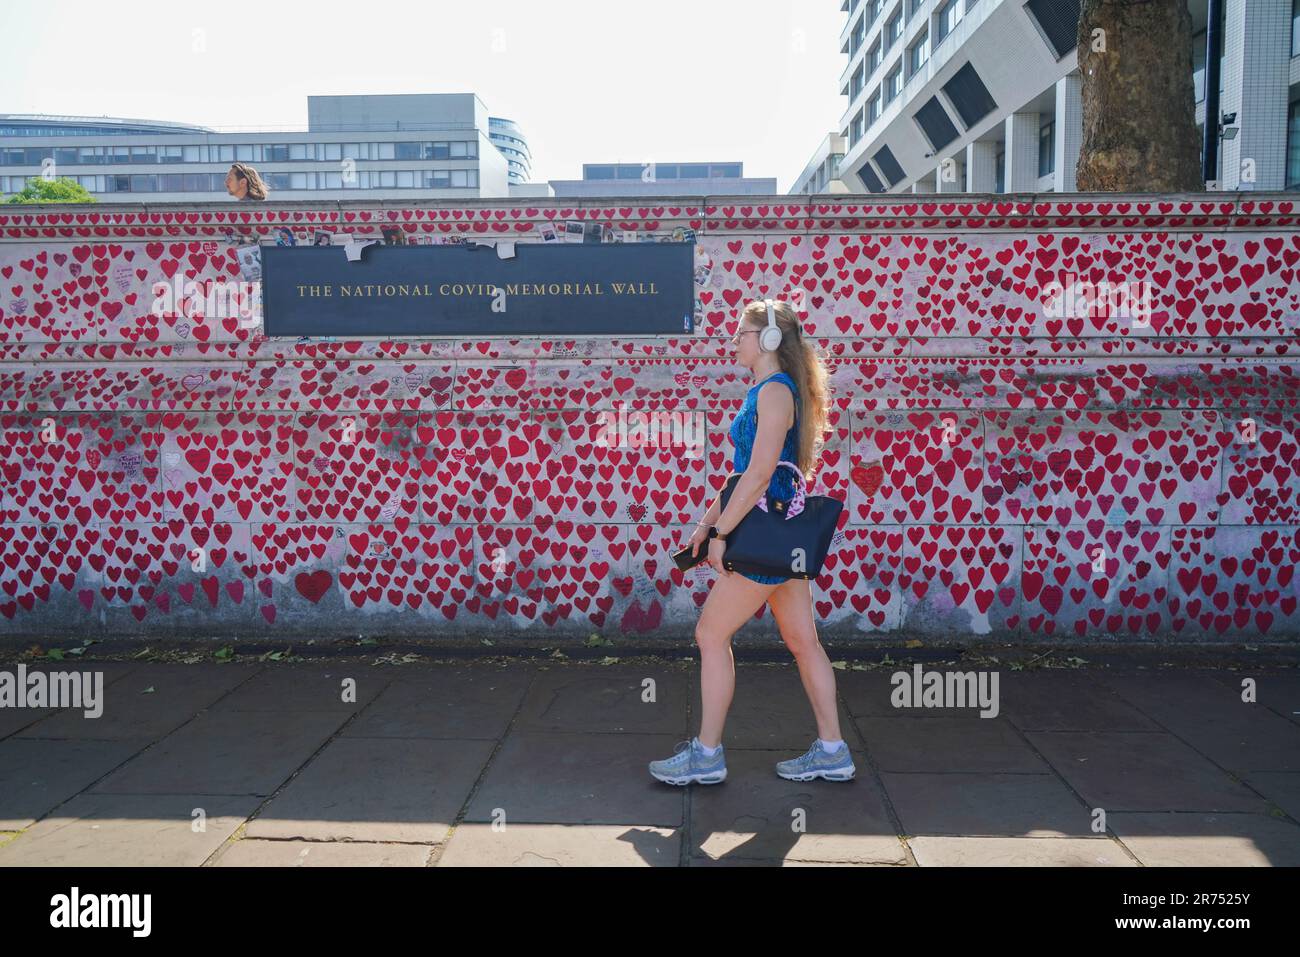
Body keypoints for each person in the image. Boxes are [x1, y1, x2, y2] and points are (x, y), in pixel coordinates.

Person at [649, 298, 854, 786]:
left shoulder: (775, 393)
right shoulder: (764, 390)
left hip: (764, 535)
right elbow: (743, 472)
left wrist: (721, 536)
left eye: (741, 333)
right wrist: (706, 524)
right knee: (804, 641)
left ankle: (706, 755)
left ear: (767, 339)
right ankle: (833, 751)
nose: (734, 341)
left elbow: (761, 474)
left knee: (710, 634)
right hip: (781, 538)